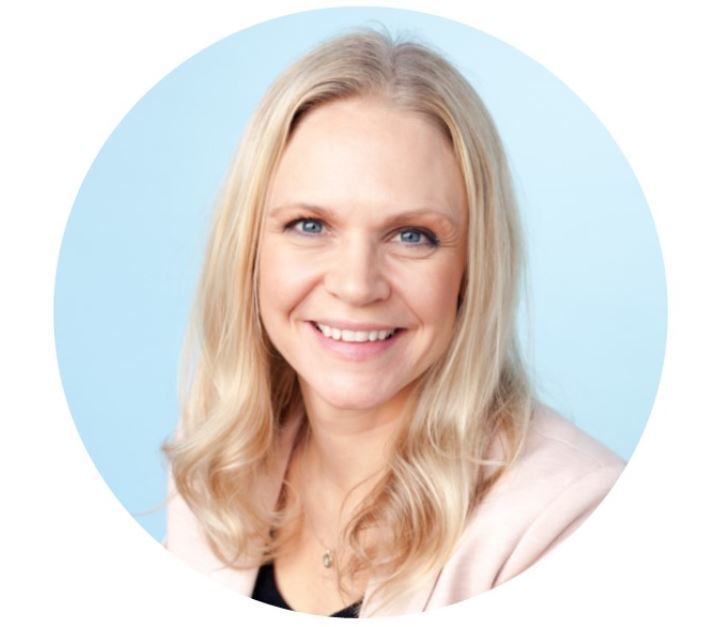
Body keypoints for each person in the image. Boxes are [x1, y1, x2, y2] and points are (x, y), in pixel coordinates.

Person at [162, 28, 624, 618]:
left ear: (472, 268)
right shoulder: (217, 456)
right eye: (310, 225)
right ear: (249, 250)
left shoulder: (569, 520)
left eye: (412, 235)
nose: (357, 285)